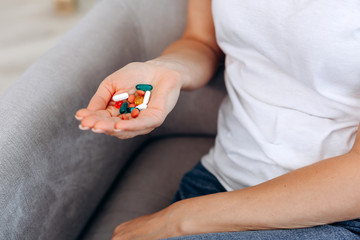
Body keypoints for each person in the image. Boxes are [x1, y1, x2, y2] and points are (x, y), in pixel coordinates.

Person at [75, 0, 360, 239]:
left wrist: (179, 219)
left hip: (335, 215)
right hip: (217, 179)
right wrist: (167, 70)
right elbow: (201, 41)